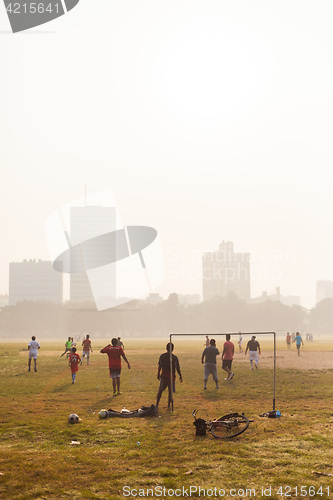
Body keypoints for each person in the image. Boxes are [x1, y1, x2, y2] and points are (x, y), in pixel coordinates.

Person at [156, 343, 182, 408]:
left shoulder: (162, 356)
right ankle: (169, 405)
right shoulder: (174, 357)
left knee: (160, 390)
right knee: (170, 391)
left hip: (164, 375)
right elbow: (177, 368)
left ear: (166, 348)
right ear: (173, 349)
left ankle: (157, 403)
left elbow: (160, 366)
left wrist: (158, 373)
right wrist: (180, 375)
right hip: (171, 376)